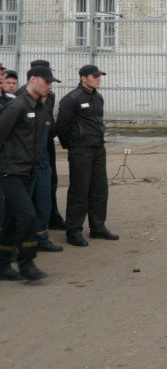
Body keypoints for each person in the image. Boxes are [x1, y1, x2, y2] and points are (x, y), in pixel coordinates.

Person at [0, 65, 60, 282]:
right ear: (33, 79)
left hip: (30, 171)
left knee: (11, 220)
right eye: (46, 82)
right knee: (28, 216)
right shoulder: (16, 106)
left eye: (51, 83)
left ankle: (3, 264)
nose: (49, 86)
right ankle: (27, 264)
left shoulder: (41, 106)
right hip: (11, 172)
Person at [53, 64, 117, 247]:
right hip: (80, 150)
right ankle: (73, 230)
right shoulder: (72, 99)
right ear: (83, 78)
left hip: (97, 148)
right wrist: (71, 145)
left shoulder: (98, 98)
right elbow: (61, 126)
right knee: (79, 190)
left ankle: (98, 227)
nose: (98, 79)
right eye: (94, 76)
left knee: (99, 189)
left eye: (99, 76)